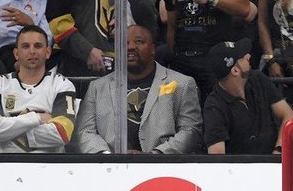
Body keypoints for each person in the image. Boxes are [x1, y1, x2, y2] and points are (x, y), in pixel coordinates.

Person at [73, 24, 203, 154]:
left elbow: (190, 131)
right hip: (110, 169)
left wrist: (154, 156)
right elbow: (85, 131)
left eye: (139, 41)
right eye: (125, 43)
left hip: (161, 169)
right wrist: (109, 158)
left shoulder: (182, 84)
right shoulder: (97, 87)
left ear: (153, 49)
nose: (130, 47)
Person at [0, 24, 77, 153]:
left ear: (48, 52)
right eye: (25, 46)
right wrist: (37, 118)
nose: (32, 51)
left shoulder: (62, 85)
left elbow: (62, 133)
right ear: (16, 53)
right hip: (4, 166)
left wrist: (8, 131)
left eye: (38, 46)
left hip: (49, 167)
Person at [203, 38, 293, 154]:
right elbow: (217, 158)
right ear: (235, 71)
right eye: (242, 57)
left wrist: (278, 151)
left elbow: (288, 115)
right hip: (238, 170)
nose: (249, 56)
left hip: (274, 164)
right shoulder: (214, 107)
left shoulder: (258, 79)